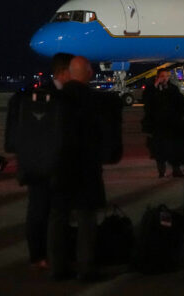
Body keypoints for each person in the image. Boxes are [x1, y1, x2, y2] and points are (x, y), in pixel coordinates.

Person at [47, 56, 119, 281]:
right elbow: (106, 138)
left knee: (58, 218)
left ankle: (57, 268)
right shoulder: (96, 101)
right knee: (87, 219)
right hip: (86, 168)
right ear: (88, 73)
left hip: (59, 167)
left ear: (69, 73)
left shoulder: (55, 100)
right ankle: (86, 269)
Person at [4, 53, 74, 270]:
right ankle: (39, 255)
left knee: (49, 210)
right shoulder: (46, 96)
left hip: (44, 164)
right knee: (40, 210)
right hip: (41, 165)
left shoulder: (44, 94)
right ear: (63, 72)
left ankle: (50, 253)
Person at [141, 68, 184, 178]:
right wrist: (155, 86)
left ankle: (176, 170)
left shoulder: (173, 89)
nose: (165, 78)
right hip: (157, 125)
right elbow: (146, 101)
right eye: (162, 76)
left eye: (166, 76)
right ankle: (161, 171)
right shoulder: (152, 89)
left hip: (171, 124)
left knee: (174, 147)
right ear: (157, 77)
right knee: (159, 149)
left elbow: (180, 102)